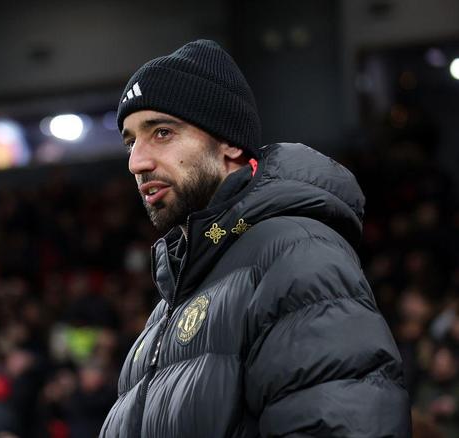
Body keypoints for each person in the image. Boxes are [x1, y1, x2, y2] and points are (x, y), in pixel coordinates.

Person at [100, 39, 411, 437]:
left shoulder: (297, 254)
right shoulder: (170, 303)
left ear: (229, 142)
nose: (136, 162)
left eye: (162, 133)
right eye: (130, 142)